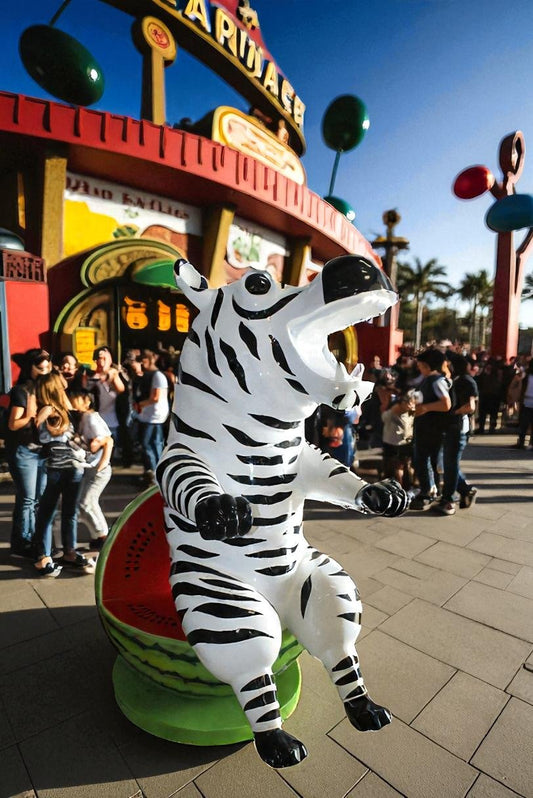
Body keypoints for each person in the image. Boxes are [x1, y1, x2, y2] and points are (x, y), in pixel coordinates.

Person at [33, 372, 94, 577]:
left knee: (55, 513)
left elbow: (42, 434)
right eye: (60, 386)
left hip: (63, 468)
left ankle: (55, 554)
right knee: (59, 512)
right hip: (66, 468)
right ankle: (57, 553)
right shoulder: (58, 410)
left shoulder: (54, 410)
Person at [5, 348, 51, 558]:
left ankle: (32, 539)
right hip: (23, 451)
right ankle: (22, 543)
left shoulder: (44, 389)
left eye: (48, 363)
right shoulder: (21, 391)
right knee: (27, 499)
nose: (46, 367)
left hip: (41, 450)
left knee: (37, 498)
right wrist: (34, 415)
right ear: (30, 367)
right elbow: (13, 424)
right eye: (40, 364)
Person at [433, 354, 478, 516]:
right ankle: (465, 490)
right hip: (451, 428)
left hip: (457, 429)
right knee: (448, 464)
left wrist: (453, 412)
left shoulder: (466, 381)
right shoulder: (456, 379)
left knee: (450, 464)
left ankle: (449, 500)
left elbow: (470, 406)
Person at [69, 388, 114, 550]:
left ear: (87, 401)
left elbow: (107, 440)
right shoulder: (87, 417)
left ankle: (103, 536)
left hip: (98, 467)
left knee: (86, 503)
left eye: (78, 398)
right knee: (87, 503)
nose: (73, 400)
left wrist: (102, 461)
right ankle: (99, 536)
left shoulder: (90, 418)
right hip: (94, 466)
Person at [410, 348, 452, 511]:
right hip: (429, 427)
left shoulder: (435, 381)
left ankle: (428, 491)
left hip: (430, 428)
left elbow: (445, 403)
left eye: (420, 365)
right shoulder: (433, 379)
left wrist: (425, 408)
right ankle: (431, 489)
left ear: (427, 366)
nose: (419, 368)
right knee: (428, 460)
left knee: (423, 459)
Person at [134, 349, 170, 486]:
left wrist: (139, 404)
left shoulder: (157, 376)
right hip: (151, 415)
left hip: (153, 416)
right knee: (154, 444)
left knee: (147, 444)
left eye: (143, 362)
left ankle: (154, 473)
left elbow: (155, 397)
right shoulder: (152, 375)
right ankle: (155, 473)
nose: (142, 365)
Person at [87, 346, 126, 450]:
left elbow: (121, 390)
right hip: (97, 420)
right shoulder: (92, 377)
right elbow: (86, 389)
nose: (103, 361)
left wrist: (113, 376)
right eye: (101, 358)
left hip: (114, 420)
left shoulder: (116, 374)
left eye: (106, 357)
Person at [381, 392, 415, 491]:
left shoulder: (412, 411)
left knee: (405, 466)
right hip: (391, 442)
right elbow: (384, 418)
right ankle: (391, 487)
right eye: (408, 403)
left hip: (406, 442)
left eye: (412, 403)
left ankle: (406, 487)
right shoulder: (393, 410)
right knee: (391, 467)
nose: (410, 405)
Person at [514, 359, 533, 449]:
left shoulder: (527, 374)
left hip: (526, 401)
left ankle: (523, 442)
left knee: (524, 423)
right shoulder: (526, 374)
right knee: (524, 424)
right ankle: (524, 442)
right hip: (526, 401)